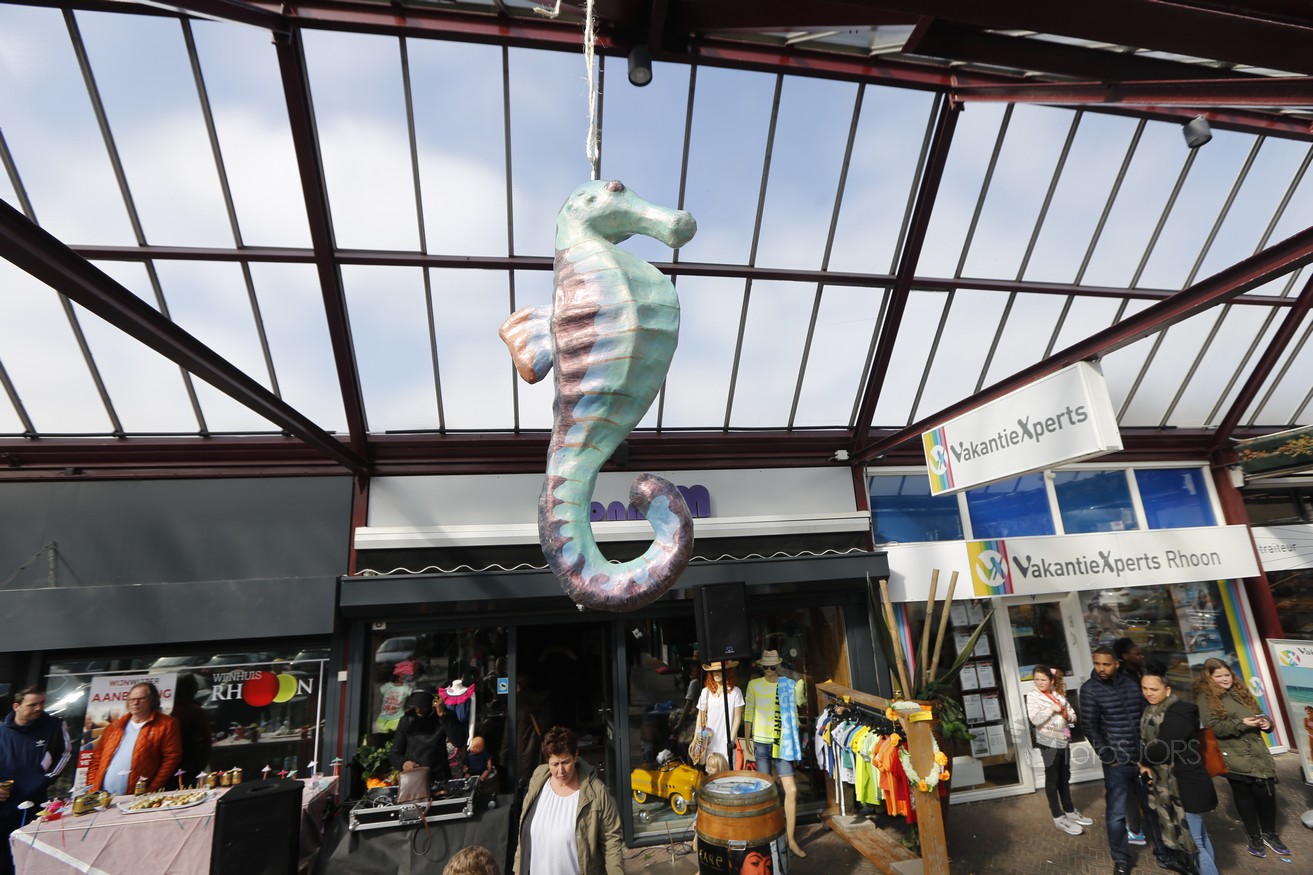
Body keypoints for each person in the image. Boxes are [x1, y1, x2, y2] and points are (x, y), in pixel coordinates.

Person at [1079, 647, 1176, 875]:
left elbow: (1145, 715)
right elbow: (1090, 727)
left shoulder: (1132, 684)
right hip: (1117, 764)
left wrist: (1148, 753)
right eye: (1097, 664)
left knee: (1152, 809)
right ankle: (1121, 859)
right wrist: (1109, 757)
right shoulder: (1089, 689)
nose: (1101, 669)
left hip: (1142, 760)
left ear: (1117, 664)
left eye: (1106, 664)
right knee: (1116, 814)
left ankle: (1164, 854)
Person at [1194, 657, 1290, 859]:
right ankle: (1254, 836)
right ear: (1209, 677)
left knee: (1266, 794)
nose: (1224, 679)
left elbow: (1260, 713)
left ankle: (1270, 834)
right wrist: (1242, 723)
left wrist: (1267, 723)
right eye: (1218, 676)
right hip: (1233, 755)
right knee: (1244, 795)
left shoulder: (1240, 691)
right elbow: (1213, 728)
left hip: (1258, 754)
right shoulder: (1205, 697)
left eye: (1227, 674)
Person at [514, 725, 623, 875]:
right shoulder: (538, 780)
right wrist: (517, 869)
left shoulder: (597, 792)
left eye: (565, 762)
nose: (561, 771)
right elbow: (524, 832)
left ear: (576, 756)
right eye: (554, 764)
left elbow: (611, 840)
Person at [1139, 670, 1218, 875]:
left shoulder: (1179, 712)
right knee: (1200, 837)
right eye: (1144, 688)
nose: (1148, 693)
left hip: (1187, 784)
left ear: (1168, 690)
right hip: (1179, 784)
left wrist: (1142, 759)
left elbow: (1163, 749)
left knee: (1194, 843)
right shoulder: (1152, 709)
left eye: (1154, 689)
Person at [743, 650, 807, 857]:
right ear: (761, 667)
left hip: (783, 741)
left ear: (778, 666)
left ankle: (791, 839)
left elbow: (798, 707)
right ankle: (770, 837)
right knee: (765, 792)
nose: (769, 670)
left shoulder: (787, 685)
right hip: (761, 742)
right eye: (766, 667)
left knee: (792, 790)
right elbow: (749, 710)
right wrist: (747, 738)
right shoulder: (754, 685)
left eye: (773, 667)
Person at [1, 687, 70, 875]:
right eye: (32, 705)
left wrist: (45, 779)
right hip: (4, 802)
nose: (39, 708)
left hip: (35, 800)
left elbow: (65, 755)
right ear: (16, 706)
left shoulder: (54, 725)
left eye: (42, 703)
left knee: (31, 852)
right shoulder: (2, 731)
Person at [1026, 664, 1092, 835]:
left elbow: (1073, 716)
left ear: (1051, 680)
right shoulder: (1033, 696)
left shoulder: (1058, 695)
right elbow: (1035, 720)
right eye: (1036, 679)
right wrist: (1050, 709)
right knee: (1052, 777)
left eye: (1043, 679)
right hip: (1047, 741)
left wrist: (1067, 715)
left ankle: (1069, 811)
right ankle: (1058, 816)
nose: (1039, 683)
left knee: (1064, 776)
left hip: (1063, 739)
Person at [85, 682, 182, 795]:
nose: (135, 703)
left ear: (152, 700)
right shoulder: (114, 727)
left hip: (137, 796)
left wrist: (151, 789)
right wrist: (92, 789)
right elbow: (96, 760)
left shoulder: (166, 724)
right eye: (132, 699)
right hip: (102, 797)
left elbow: (171, 759)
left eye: (141, 699)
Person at [389, 689, 452, 779]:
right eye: (416, 707)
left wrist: (443, 715)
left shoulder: (443, 717)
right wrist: (403, 763)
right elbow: (394, 753)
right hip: (414, 778)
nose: (418, 710)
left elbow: (459, 741)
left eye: (423, 707)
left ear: (433, 704)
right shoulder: (407, 720)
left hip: (439, 777)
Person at [696, 660, 744, 770]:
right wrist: (697, 737)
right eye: (714, 671)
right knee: (711, 773)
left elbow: (737, 719)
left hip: (727, 742)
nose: (716, 674)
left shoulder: (735, 692)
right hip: (709, 740)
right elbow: (700, 715)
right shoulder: (706, 692)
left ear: (727, 672)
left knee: (727, 773)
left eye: (720, 670)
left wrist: (731, 740)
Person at [171, 674, 211, 788]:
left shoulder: (169, 710)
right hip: (190, 763)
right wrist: (200, 766)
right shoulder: (197, 712)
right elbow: (206, 743)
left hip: (176, 764)